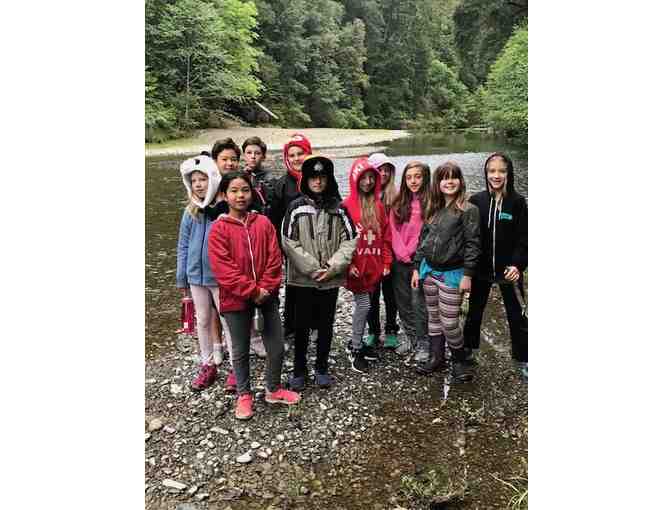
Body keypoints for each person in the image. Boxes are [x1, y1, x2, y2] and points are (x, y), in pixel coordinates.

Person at [208, 172, 301, 420]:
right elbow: (224, 270)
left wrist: (266, 289)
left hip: (266, 297)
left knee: (276, 346)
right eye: (234, 191)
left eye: (245, 190)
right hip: (235, 299)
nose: (240, 195)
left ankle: (273, 388)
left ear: (252, 193)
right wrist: (253, 290)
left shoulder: (263, 223)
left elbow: (274, 259)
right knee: (240, 350)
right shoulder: (218, 229)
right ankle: (244, 395)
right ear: (224, 195)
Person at [281, 155, 358, 390]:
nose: (318, 181)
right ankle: (299, 369)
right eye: (313, 177)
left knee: (326, 324)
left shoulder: (339, 208)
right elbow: (288, 241)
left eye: (322, 177)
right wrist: (313, 269)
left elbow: (350, 240)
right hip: (302, 280)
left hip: (330, 280)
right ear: (306, 180)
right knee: (301, 325)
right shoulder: (295, 207)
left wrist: (333, 267)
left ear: (329, 179)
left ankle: (322, 367)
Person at [411, 162, 480, 380]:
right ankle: (436, 357)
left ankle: (459, 361)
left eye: (453, 177)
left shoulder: (468, 210)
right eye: (444, 178)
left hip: (453, 273)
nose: (449, 182)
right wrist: (416, 267)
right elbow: (423, 240)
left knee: (450, 323)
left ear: (460, 180)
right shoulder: (433, 206)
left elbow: (473, 244)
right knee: (433, 317)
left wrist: (468, 275)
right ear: (437, 183)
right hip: (429, 271)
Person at [463, 152, 528, 382]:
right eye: (492, 171)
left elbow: (524, 239)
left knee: (517, 315)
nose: (496, 175)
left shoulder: (517, 202)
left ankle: (523, 359)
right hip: (480, 269)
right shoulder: (476, 201)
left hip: (508, 270)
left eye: (501, 171)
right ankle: (469, 351)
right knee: (474, 312)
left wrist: (518, 265)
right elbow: (469, 237)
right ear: (486, 173)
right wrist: (467, 269)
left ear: (509, 173)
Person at [176, 154, 235, 391]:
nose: (198, 184)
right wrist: (182, 277)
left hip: (219, 278)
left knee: (227, 320)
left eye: (202, 179)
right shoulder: (190, 211)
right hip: (195, 277)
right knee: (202, 320)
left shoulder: (223, 210)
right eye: (194, 181)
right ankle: (207, 364)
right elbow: (183, 245)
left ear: (212, 179)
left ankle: (236, 368)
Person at [210, 138, 267, 359]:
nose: (229, 163)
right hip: (217, 258)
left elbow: (257, 215)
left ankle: (253, 339)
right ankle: (219, 345)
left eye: (234, 159)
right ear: (215, 161)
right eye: (224, 159)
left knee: (245, 301)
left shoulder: (244, 186)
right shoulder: (208, 189)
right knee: (218, 306)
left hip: (245, 256)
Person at [342, 158, 393, 373]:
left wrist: (386, 261)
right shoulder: (346, 206)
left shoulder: (378, 206)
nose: (368, 182)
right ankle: (355, 348)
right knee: (364, 305)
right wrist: (347, 264)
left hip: (374, 265)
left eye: (372, 177)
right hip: (356, 267)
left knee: (368, 304)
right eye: (364, 178)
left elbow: (386, 237)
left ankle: (358, 341)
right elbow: (341, 239)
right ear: (355, 179)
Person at [270, 134, 314, 343]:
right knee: (293, 285)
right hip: (291, 245)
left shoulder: (318, 178)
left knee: (316, 283)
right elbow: (274, 218)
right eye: (292, 155)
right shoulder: (282, 184)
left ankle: (315, 323)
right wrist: (278, 248)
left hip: (316, 243)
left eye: (300, 153)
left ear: (309, 153)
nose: (296, 159)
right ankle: (290, 324)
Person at [389, 161, 432, 362]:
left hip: (420, 262)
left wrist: (413, 255)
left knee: (419, 303)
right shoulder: (399, 202)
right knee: (403, 302)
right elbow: (393, 230)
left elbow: (426, 233)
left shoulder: (432, 203)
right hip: (400, 260)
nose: (413, 181)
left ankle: (424, 342)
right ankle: (411, 337)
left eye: (417, 176)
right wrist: (402, 253)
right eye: (409, 177)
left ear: (425, 178)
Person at [365, 153, 400, 349]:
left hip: (392, 253)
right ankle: (373, 330)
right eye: (380, 170)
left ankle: (391, 330)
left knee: (390, 294)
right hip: (370, 254)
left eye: (387, 170)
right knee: (371, 295)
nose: (384, 173)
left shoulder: (396, 195)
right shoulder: (364, 196)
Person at [242, 136, 274, 217]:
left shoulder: (270, 179)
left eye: (257, 153)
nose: (253, 156)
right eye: (249, 153)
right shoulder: (238, 176)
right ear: (244, 155)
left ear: (263, 157)